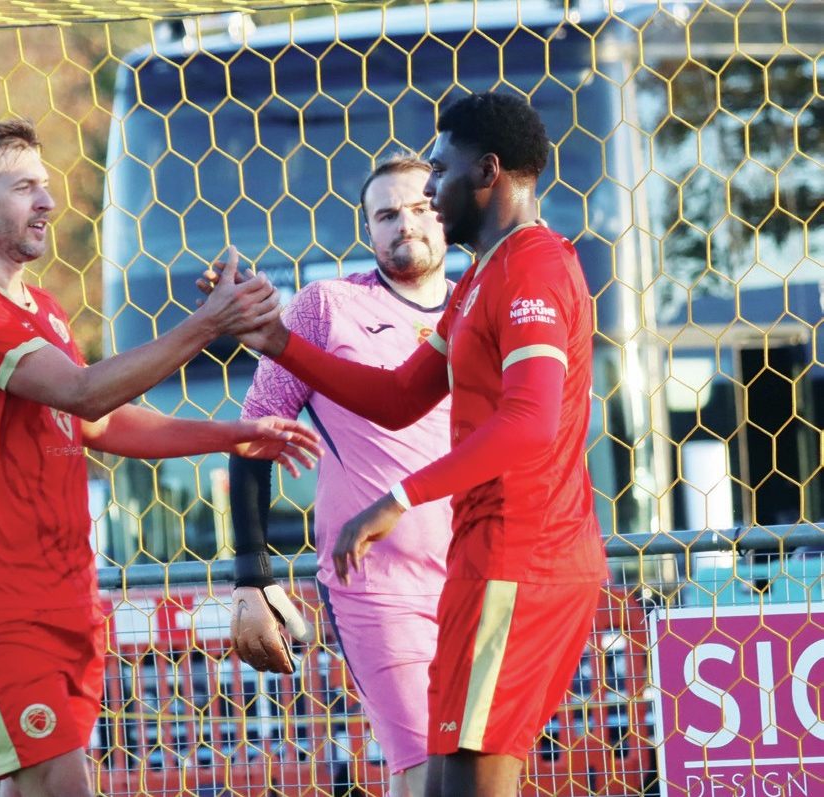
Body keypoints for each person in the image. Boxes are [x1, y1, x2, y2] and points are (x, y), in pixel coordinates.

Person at [0, 120, 322, 797]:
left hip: (70, 591)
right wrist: (209, 323)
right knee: (59, 781)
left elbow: (94, 419)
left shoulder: (44, 308)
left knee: (39, 784)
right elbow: (84, 390)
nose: (48, 202)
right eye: (24, 188)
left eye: (45, 186)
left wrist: (229, 434)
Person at [212, 93, 607, 797]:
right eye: (389, 211)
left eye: (438, 176)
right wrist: (276, 341)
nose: (426, 199)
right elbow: (397, 397)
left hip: (520, 555)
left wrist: (398, 497)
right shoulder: (476, 281)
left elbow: (530, 422)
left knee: (465, 780)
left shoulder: (534, 267)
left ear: (487, 171)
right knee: (441, 781)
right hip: (452, 567)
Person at [226, 153, 454, 797]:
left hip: (478, 575)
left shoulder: (477, 305)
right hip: (376, 584)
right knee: (426, 768)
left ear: (445, 214)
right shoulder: (326, 307)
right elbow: (255, 435)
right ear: (368, 230)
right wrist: (252, 578)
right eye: (386, 214)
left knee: (474, 770)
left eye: (419, 207)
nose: (404, 224)